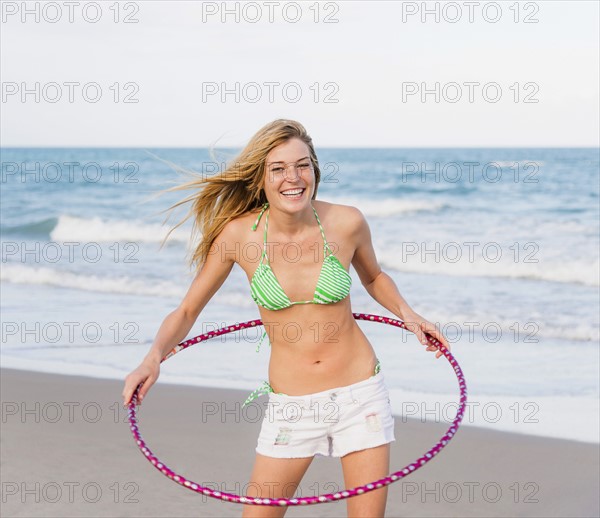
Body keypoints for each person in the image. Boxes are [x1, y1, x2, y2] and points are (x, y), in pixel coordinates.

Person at [122, 119, 450, 518]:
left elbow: (375, 277)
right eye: (278, 168)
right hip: (291, 405)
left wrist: (410, 316)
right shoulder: (238, 237)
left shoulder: (346, 222)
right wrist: (153, 356)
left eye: (303, 165)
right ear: (260, 177)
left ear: (315, 170)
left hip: (359, 392)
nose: (293, 178)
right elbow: (189, 309)